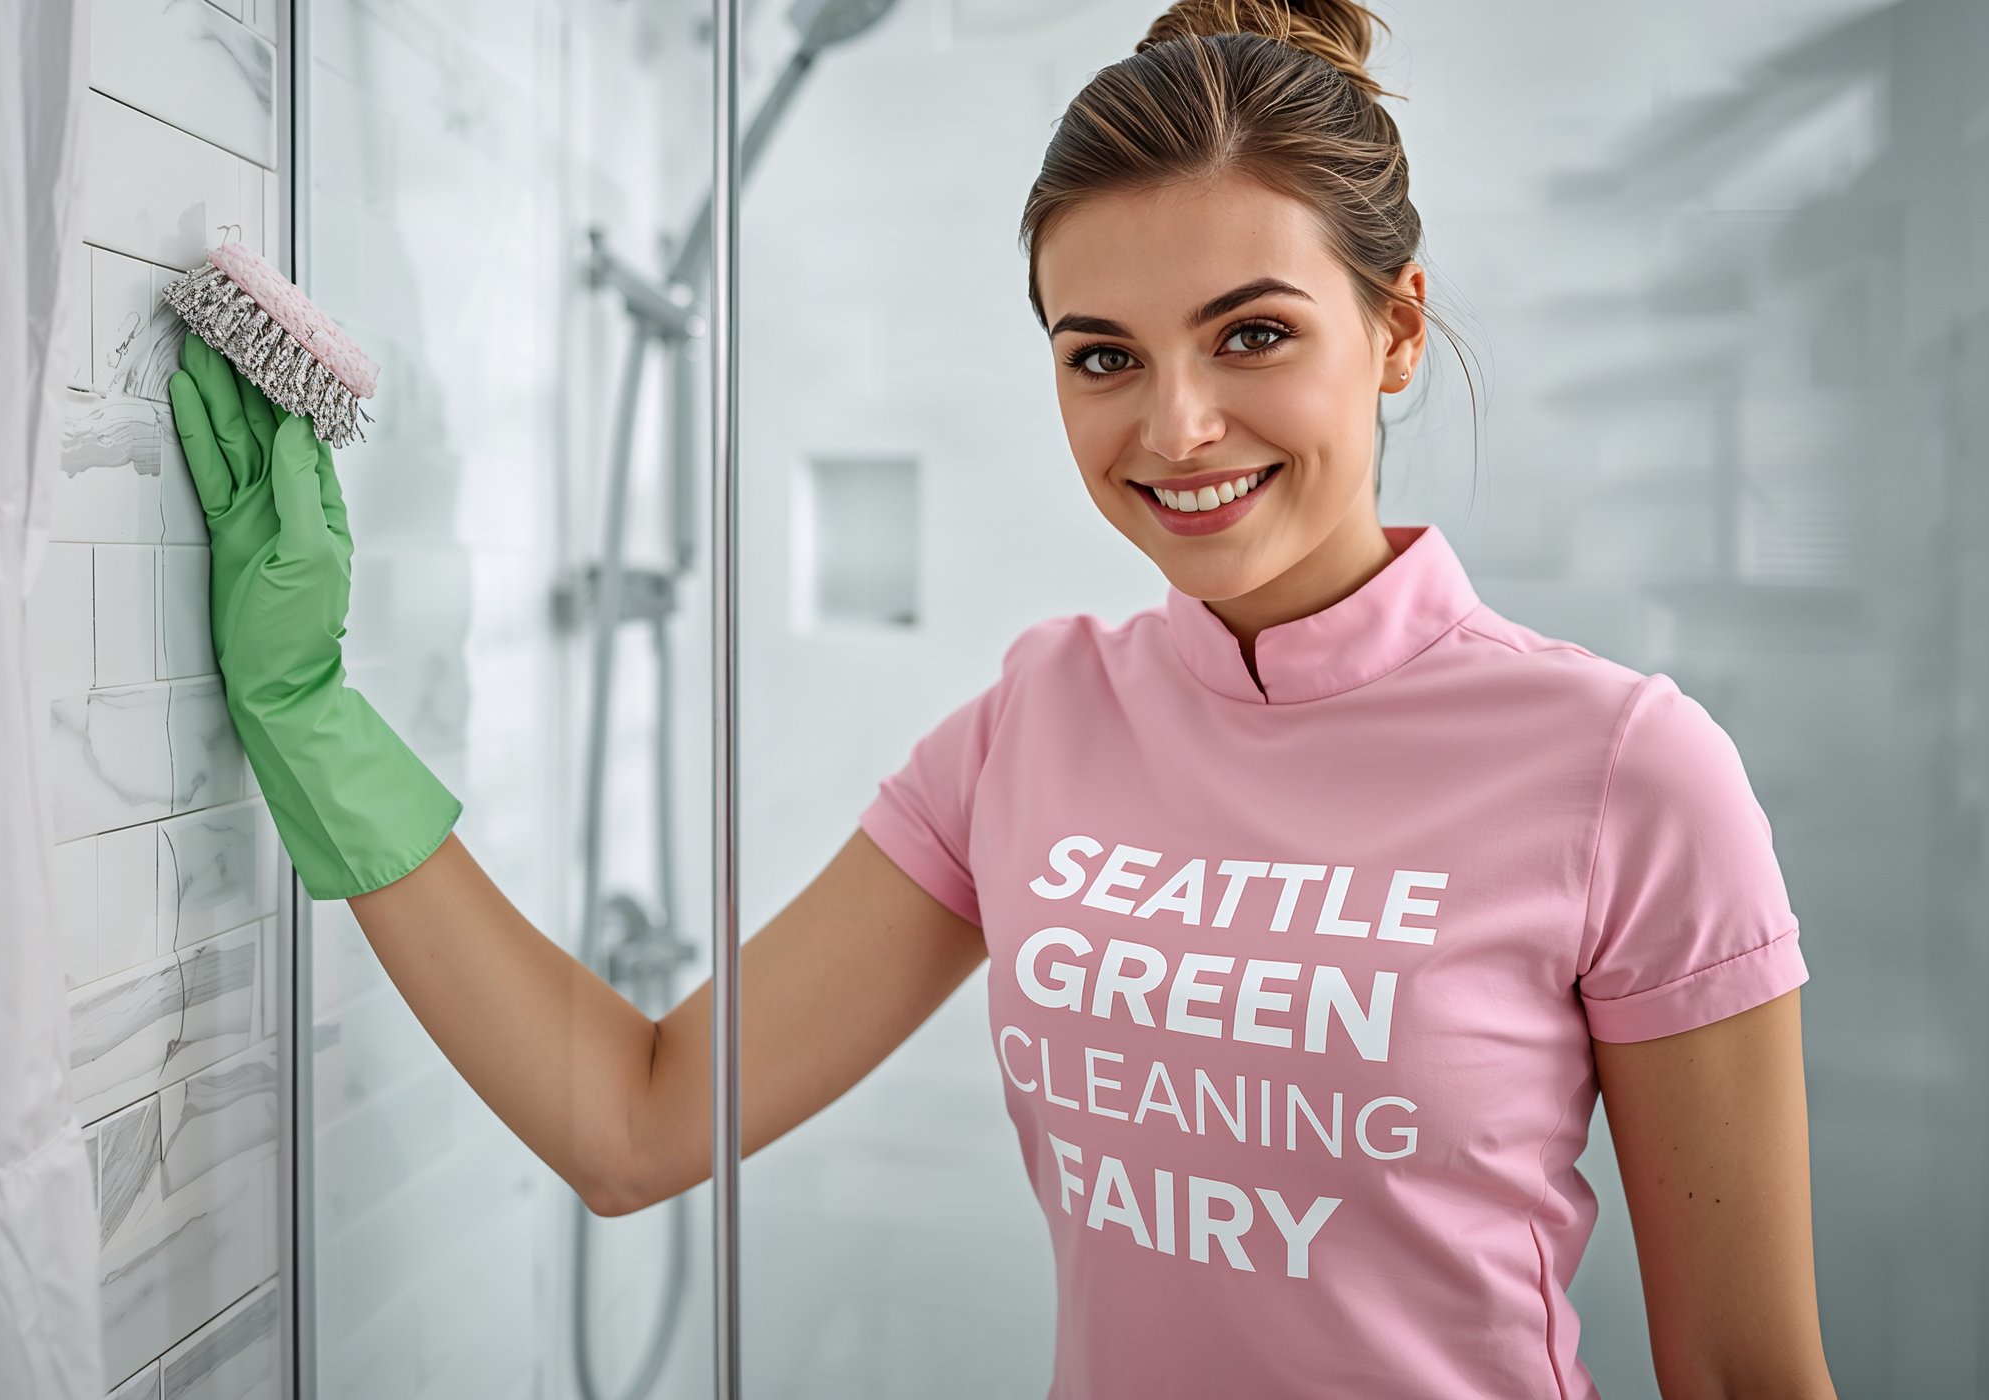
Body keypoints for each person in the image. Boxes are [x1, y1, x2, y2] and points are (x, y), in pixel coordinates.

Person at [165, 1, 1838, 1394]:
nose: (1176, 426)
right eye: (1102, 354)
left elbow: (1752, 1379)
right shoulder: (1036, 725)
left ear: (1395, 330)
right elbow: (635, 1122)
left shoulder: (1627, 773)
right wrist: (312, 713)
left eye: (1251, 334)